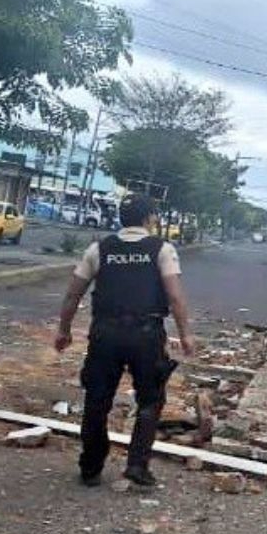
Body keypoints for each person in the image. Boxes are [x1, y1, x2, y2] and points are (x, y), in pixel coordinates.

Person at [53, 194, 196, 487]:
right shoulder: (161, 249)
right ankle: (137, 465)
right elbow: (175, 296)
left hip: (105, 334)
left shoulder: (99, 248)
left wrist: (64, 330)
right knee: (150, 399)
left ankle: (91, 467)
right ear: (149, 218)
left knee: (97, 399)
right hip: (146, 335)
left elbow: (73, 294)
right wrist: (185, 334)